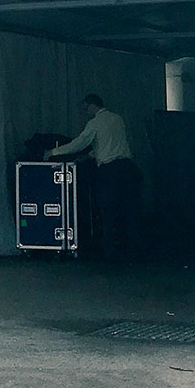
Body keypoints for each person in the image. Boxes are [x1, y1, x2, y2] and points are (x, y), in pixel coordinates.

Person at [45, 94, 142, 262]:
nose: (86, 113)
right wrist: (91, 155)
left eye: (86, 109)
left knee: (108, 211)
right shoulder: (118, 119)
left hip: (109, 171)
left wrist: (53, 152)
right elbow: (109, 144)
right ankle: (132, 251)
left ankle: (110, 253)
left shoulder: (95, 123)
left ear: (92, 106)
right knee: (128, 210)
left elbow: (79, 143)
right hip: (127, 168)